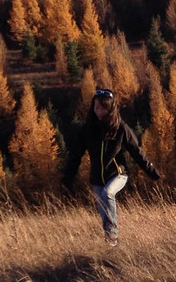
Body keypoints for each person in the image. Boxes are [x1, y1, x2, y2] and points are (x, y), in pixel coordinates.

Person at [62, 88, 160, 247]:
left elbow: (136, 152)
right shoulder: (88, 129)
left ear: (109, 108)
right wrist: (68, 177)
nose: (97, 110)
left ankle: (113, 231)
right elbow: (75, 154)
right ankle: (111, 243)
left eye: (101, 107)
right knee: (103, 210)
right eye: (95, 107)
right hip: (97, 178)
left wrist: (152, 172)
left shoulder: (121, 129)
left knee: (108, 193)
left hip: (118, 174)